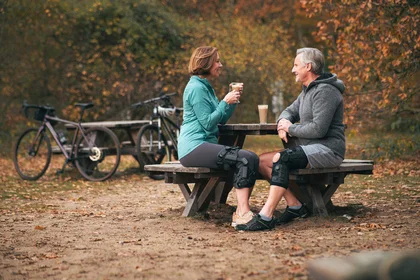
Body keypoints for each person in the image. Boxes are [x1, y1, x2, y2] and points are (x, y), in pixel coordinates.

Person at [236, 47, 346, 231]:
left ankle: (266, 216)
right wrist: (283, 122)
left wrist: (290, 128)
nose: (293, 69)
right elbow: (289, 111)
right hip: (308, 148)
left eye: (296, 65)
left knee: (281, 159)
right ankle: (295, 206)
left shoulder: (325, 91)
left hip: (328, 149)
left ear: (308, 67)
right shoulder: (306, 91)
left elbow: (319, 129)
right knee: (261, 161)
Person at [178, 46, 259, 227]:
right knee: (245, 159)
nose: (220, 65)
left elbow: (219, 119)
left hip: (204, 144)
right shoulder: (196, 89)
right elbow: (207, 122)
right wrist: (224, 101)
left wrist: (231, 102)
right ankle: (242, 213)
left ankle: (238, 210)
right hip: (193, 147)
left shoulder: (205, 87)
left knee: (251, 157)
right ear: (206, 63)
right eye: (217, 61)